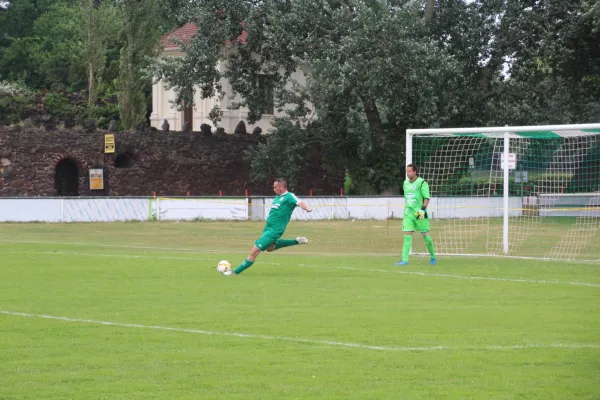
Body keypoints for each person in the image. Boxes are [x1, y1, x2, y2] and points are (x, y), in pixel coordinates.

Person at [224, 178, 312, 275]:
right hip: (268, 229)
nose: (273, 189)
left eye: (275, 187)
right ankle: (297, 241)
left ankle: (234, 273)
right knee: (270, 248)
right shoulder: (277, 197)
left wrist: (307, 208)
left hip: (275, 230)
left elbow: (300, 202)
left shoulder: (289, 196)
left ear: (281, 187)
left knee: (255, 251)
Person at [394, 164, 437, 266]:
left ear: (415, 172)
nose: (407, 173)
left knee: (425, 235)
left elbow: (426, 197)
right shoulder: (405, 183)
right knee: (407, 235)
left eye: (409, 171)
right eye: (407, 171)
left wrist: (422, 210)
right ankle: (404, 260)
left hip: (419, 212)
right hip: (408, 213)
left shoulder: (422, 182)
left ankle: (433, 257)